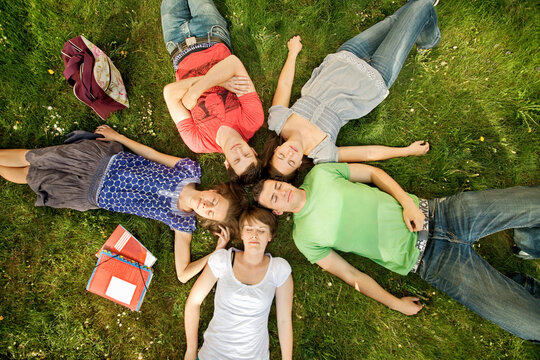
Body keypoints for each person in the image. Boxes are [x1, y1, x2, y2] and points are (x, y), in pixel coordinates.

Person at [253, 162, 540, 340]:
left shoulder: (320, 174)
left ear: (285, 180)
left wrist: (407, 202)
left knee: (534, 202)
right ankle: (522, 286)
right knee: (531, 327)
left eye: (278, 185)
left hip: (441, 213)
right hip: (433, 263)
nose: (282, 192)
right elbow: (350, 273)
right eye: (275, 198)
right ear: (277, 210)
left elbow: (373, 173)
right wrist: (395, 303)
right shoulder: (304, 238)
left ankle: (529, 244)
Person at [0, 125, 248, 283]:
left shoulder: (182, 223)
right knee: (35, 157)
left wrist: (216, 253)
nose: (206, 205)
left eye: (211, 212)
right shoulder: (189, 170)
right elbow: (151, 154)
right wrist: (119, 137)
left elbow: (183, 275)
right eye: (214, 200)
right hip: (100, 161)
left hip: (89, 193)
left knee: (30, 176)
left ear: (209, 221)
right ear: (216, 190)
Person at [264, 0, 440, 179]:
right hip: (375, 79)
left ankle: (420, 24)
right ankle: (430, 39)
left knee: (393, 22)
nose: (290, 154)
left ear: (277, 149)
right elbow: (367, 154)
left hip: (345, 57)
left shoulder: (278, 121)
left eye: (281, 156)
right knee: (421, 7)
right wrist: (406, 151)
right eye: (291, 162)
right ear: (299, 165)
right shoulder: (322, 154)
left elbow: (284, 86)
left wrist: (293, 53)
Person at [161, 0, 264, 184]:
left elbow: (169, 93)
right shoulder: (252, 119)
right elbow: (233, 63)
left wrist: (220, 80)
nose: (239, 151)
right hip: (210, 34)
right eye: (247, 154)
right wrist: (195, 91)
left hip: (176, 45)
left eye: (236, 160)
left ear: (227, 164)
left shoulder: (198, 142)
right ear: (254, 151)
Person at [184, 207, 294, 359]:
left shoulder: (279, 269)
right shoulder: (222, 260)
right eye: (249, 229)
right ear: (241, 234)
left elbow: (284, 320)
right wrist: (191, 350)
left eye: (261, 230)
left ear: (270, 236)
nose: (254, 235)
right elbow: (193, 302)